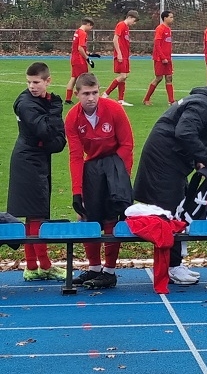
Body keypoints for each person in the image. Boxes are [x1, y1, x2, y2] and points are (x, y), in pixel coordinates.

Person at [132, 75, 207, 285]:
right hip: (163, 161)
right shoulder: (203, 105)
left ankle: (174, 264)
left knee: (179, 208)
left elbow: (189, 135)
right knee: (169, 211)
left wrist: (197, 160)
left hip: (171, 159)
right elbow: (184, 132)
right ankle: (170, 267)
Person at [66, 73, 134, 289]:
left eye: (95, 92)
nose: (91, 98)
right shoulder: (72, 118)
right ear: (77, 95)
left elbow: (127, 144)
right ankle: (94, 268)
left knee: (112, 217)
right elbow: (76, 156)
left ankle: (110, 272)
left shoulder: (114, 109)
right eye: (86, 94)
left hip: (115, 162)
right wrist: (77, 192)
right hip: (92, 167)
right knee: (89, 217)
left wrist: (120, 177)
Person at [7, 61, 67, 280]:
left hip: (34, 159)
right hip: (28, 161)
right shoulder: (27, 104)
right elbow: (47, 132)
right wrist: (55, 111)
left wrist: (54, 139)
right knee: (36, 214)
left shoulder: (38, 101)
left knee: (34, 214)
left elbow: (55, 140)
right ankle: (42, 266)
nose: (32, 86)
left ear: (47, 81)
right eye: (29, 82)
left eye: (36, 82)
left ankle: (33, 267)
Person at [104, 10, 139, 105]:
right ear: (130, 17)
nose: (134, 23)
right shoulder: (121, 25)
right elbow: (115, 39)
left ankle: (120, 100)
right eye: (134, 21)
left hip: (125, 55)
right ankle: (106, 94)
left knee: (124, 77)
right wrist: (119, 53)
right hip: (121, 55)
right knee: (123, 76)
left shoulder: (126, 27)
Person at [143, 11, 174, 106]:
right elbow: (157, 44)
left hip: (168, 58)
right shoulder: (160, 28)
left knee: (169, 77)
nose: (172, 19)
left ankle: (171, 101)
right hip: (160, 58)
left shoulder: (168, 29)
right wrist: (162, 57)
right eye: (171, 17)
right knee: (159, 78)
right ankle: (146, 99)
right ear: (165, 18)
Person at [66, 17, 95, 104]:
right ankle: (82, 96)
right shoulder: (83, 33)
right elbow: (80, 48)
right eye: (91, 27)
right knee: (83, 79)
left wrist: (90, 54)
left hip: (74, 58)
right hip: (80, 60)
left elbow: (78, 47)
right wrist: (87, 58)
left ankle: (68, 99)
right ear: (88, 24)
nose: (90, 29)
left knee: (73, 78)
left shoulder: (77, 32)